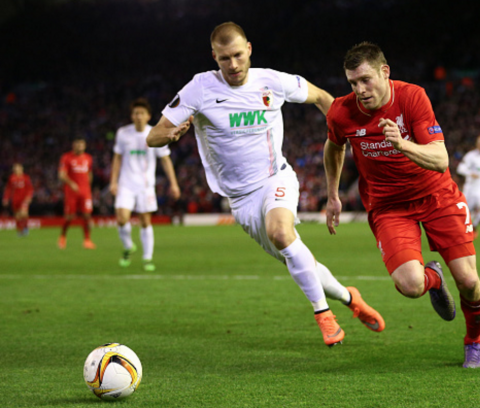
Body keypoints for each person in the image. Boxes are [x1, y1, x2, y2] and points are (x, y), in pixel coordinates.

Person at [146, 22, 384, 347]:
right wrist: (170, 134)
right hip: (241, 200)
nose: (232, 65)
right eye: (224, 58)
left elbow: (324, 98)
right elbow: (153, 136)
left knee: (282, 233)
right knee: (297, 256)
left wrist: (350, 134)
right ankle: (349, 297)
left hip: (276, 178)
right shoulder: (199, 89)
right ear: (214, 57)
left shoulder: (272, 81)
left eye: (238, 55)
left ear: (249, 50)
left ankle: (324, 316)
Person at [324, 42, 480, 368]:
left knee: (469, 283)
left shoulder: (412, 97)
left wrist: (401, 144)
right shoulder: (341, 112)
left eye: (366, 80)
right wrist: (332, 195)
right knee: (412, 285)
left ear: (385, 72)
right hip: (388, 206)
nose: (360, 90)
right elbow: (333, 147)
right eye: (353, 83)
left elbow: (440, 159)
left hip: (436, 196)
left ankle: (474, 342)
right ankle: (434, 280)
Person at [109, 98, 181, 272]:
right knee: (121, 218)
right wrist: (113, 181)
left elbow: (165, 159)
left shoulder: (155, 134)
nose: (139, 116)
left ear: (148, 116)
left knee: (145, 221)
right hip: (126, 183)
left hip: (145, 185)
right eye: (136, 113)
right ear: (132, 116)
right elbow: (117, 157)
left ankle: (147, 258)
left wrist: (174, 183)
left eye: (142, 113)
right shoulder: (123, 133)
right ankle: (128, 246)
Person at [58, 137, 95, 249]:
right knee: (69, 216)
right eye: (78, 144)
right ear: (73, 145)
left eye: (82, 145)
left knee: (87, 216)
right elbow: (61, 175)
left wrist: (88, 186)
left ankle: (87, 240)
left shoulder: (88, 158)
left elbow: (89, 173)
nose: (80, 147)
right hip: (71, 192)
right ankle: (63, 237)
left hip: (85, 192)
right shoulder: (66, 157)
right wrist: (71, 184)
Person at [2, 163, 34, 237]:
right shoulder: (11, 178)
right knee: (17, 216)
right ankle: (20, 230)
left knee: (24, 213)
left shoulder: (26, 177)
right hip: (15, 199)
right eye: (16, 169)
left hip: (24, 199)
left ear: (21, 169)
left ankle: (25, 228)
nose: (17, 170)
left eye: (18, 168)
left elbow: (30, 188)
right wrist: (6, 198)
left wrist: (29, 197)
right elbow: (8, 189)